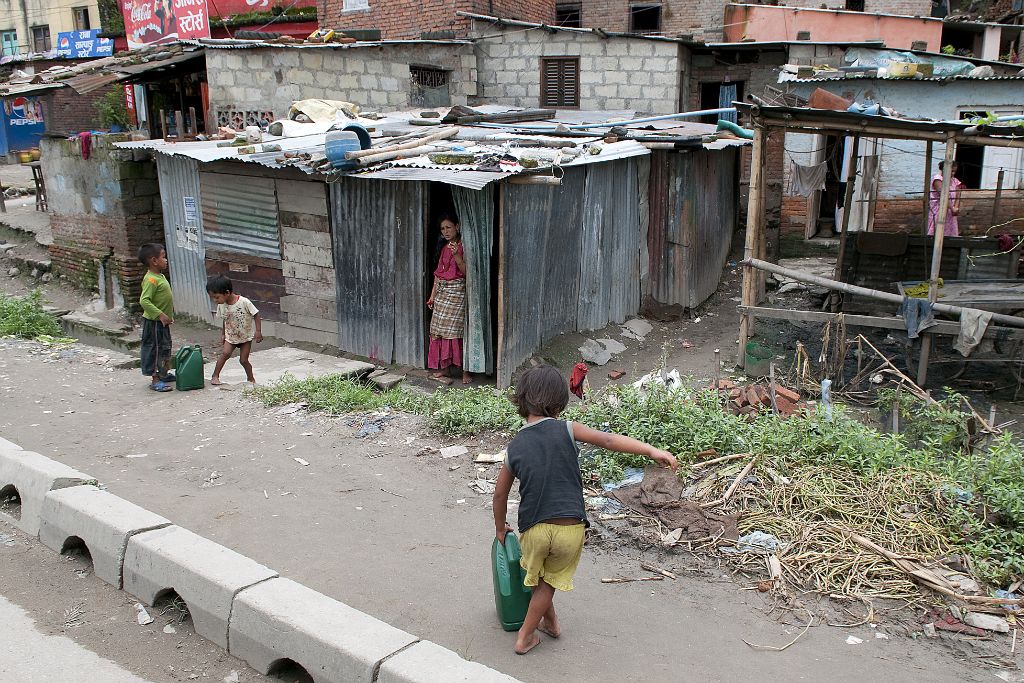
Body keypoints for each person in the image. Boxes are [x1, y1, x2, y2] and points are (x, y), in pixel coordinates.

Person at [491, 366, 678, 655]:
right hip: (569, 528)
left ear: (522, 400)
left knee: (541, 579)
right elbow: (608, 440)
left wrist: (500, 527)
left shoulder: (515, 447)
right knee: (549, 581)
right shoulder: (567, 429)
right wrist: (651, 450)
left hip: (533, 529)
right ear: (558, 401)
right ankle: (529, 634)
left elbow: (500, 494)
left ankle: (541, 627)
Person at [426, 213, 471, 385]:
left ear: (457, 227)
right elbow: (438, 275)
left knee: (457, 332)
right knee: (439, 331)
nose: (445, 231)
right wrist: (432, 297)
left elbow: (466, 272)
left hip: (456, 293)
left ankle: (464, 370)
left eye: (448, 227)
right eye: (443, 229)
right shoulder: (444, 248)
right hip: (442, 294)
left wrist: (457, 255)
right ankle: (445, 368)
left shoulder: (465, 246)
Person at [206, 275, 263, 385]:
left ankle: (251, 379)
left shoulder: (244, 302)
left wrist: (258, 331)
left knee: (243, 360)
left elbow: (256, 314)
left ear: (227, 293)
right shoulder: (222, 305)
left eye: (217, 297)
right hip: (231, 336)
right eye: (212, 297)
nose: (215, 300)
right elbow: (225, 319)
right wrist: (223, 334)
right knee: (225, 354)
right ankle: (215, 375)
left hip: (245, 337)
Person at [138, 243, 175, 393]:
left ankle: (164, 373)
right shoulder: (151, 280)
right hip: (153, 323)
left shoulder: (159, 276)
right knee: (155, 349)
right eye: (163, 257)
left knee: (165, 347)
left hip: (162, 323)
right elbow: (144, 301)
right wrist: (160, 314)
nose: (166, 260)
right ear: (154, 260)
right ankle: (155, 379)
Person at [927, 160, 964, 237]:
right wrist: (951, 208)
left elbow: (958, 196)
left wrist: (955, 208)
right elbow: (943, 195)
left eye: (954, 171)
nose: (953, 173)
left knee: (950, 235)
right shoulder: (938, 179)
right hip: (939, 210)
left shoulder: (955, 181)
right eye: (951, 171)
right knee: (937, 233)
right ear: (944, 169)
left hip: (950, 212)